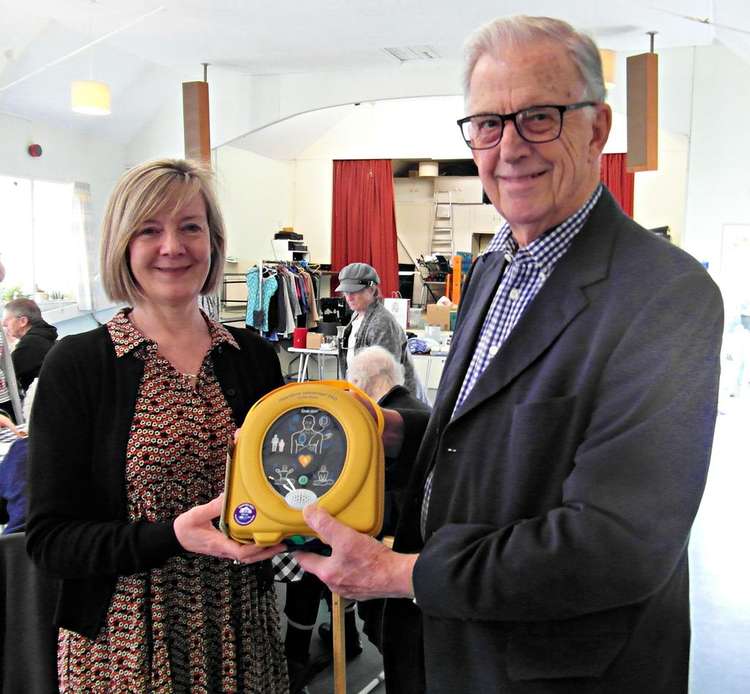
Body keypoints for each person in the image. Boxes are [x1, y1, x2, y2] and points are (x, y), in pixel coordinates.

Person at [295, 15, 724, 694]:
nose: (510, 147)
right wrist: (404, 433)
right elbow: (492, 426)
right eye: (488, 124)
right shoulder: (495, 266)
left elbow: (618, 543)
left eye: (540, 116)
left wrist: (399, 573)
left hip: (554, 671)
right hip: (441, 648)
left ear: (598, 128)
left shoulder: (665, 296)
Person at [26, 159, 290, 692]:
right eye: (150, 229)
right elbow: (51, 540)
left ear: (212, 241)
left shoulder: (253, 359)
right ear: (123, 244)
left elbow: (283, 487)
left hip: (242, 627)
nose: (173, 246)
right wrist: (170, 536)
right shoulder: (78, 365)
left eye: (190, 227)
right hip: (126, 643)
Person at [337, 262, 425, 401]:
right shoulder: (357, 316)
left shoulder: (381, 323)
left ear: (371, 290)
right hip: (367, 398)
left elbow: (385, 381)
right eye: (346, 292)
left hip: (395, 406)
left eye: (354, 291)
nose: (349, 297)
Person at [3, 297, 58, 391]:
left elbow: (5, 377)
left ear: (23, 321)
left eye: (7, 320)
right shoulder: (45, 337)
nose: (4, 324)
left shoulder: (31, 344)